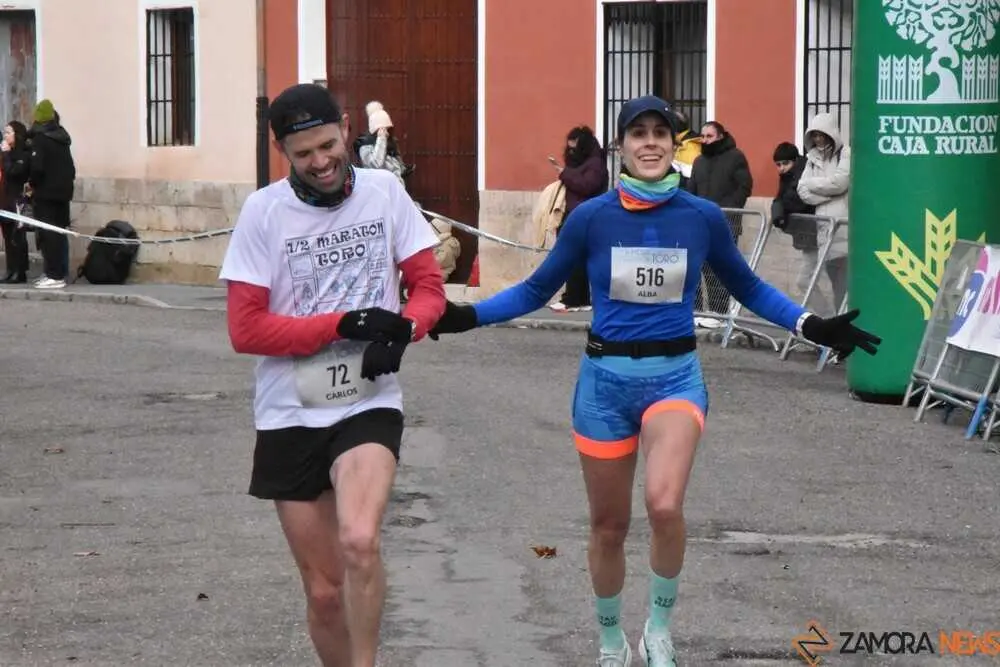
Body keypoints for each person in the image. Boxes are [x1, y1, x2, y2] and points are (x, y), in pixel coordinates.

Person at [426, 95, 880, 666]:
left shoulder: (701, 217)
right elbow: (536, 289)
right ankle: (611, 638)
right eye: (637, 133)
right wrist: (467, 315)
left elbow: (749, 287)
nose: (649, 143)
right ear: (621, 146)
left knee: (664, 506)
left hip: (674, 380)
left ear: (674, 145)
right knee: (609, 526)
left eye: (659, 134)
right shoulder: (593, 216)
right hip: (603, 385)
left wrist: (812, 324)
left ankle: (659, 631)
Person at [219, 83, 446, 667]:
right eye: (303, 154)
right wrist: (338, 322)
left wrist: (405, 331)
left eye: (327, 144)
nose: (320, 162)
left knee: (360, 540)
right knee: (323, 593)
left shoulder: (383, 192)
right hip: (290, 407)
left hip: (366, 400)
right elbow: (245, 330)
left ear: (345, 128)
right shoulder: (262, 213)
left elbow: (427, 289)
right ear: (281, 151)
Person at [688, 120, 753, 327]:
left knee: (721, 267)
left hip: (726, 222)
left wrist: (725, 211)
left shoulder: (736, 157)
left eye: (710, 136)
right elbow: (692, 189)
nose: (705, 140)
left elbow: (744, 187)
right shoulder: (698, 161)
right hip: (699, 223)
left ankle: (720, 314)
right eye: (703, 136)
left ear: (720, 136)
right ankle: (702, 311)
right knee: (700, 267)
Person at [548, 125, 610, 312]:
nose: (571, 152)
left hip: (585, 216)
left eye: (575, 148)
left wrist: (563, 173)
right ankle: (578, 298)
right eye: (569, 148)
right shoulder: (581, 163)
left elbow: (586, 185)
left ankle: (575, 299)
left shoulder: (595, 164)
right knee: (575, 260)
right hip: (575, 214)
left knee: (575, 258)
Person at [797, 112, 851, 313]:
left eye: (821, 134)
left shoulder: (845, 153)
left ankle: (845, 329)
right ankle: (833, 325)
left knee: (844, 289)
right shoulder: (812, 159)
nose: (818, 138)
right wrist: (829, 193)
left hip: (843, 231)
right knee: (835, 286)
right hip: (824, 232)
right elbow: (802, 191)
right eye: (814, 135)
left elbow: (840, 182)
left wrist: (814, 185)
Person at [26, 99, 75, 290]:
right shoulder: (62, 137)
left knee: (49, 234)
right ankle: (58, 272)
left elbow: (37, 169)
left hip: (47, 193)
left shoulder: (41, 139)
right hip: (63, 192)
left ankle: (54, 275)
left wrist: (31, 184)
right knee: (60, 232)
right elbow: (70, 168)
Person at [1, 120, 31, 283]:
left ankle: (20, 271)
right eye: (4, 132)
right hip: (4, 199)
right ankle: (10, 269)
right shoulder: (7, 153)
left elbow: (14, 172)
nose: (5, 136)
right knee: (7, 237)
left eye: (8, 132)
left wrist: (5, 155)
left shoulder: (23, 154)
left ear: (17, 135)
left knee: (17, 236)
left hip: (17, 200)